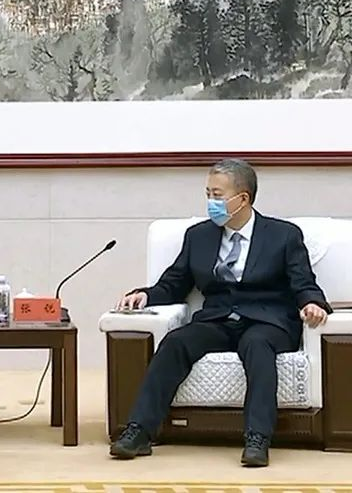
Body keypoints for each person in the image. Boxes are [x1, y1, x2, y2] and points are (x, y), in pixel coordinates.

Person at [110, 158, 331, 467]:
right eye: (207, 194)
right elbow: (174, 283)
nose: (210, 202)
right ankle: (139, 431)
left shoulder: (283, 235)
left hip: (267, 320)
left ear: (243, 199)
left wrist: (312, 303)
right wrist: (144, 295)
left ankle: (257, 438)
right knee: (175, 342)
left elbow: (303, 281)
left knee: (257, 345)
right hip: (218, 319)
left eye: (217, 195)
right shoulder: (198, 236)